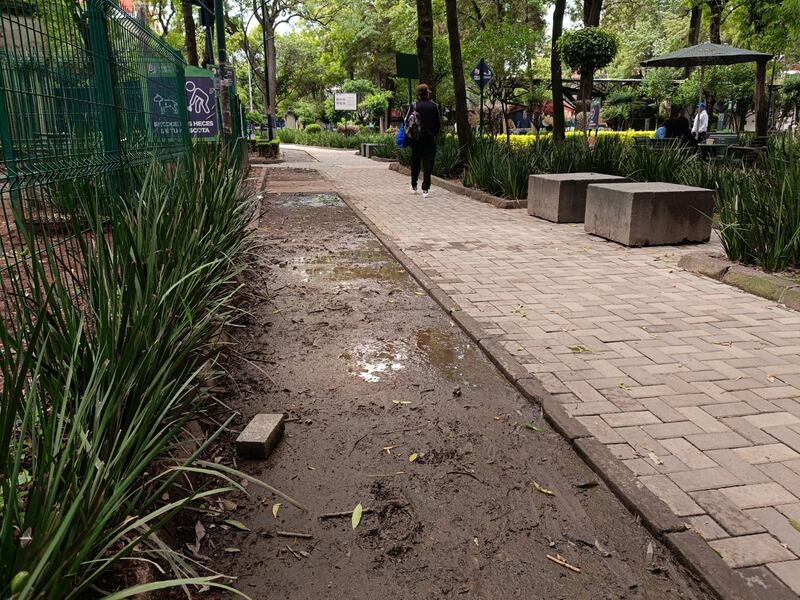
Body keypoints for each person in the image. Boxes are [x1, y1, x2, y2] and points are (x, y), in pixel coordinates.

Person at [406, 84, 441, 198]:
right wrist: (433, 134)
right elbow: (438, 124)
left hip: (416, 139)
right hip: (429, 139)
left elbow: (407, 121)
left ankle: (414, 185)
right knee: (428, 163)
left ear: (418, 94)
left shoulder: (414, 105)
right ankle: (425, 188)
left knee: (415, 162)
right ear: (427, 93)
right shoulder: (434, 106)